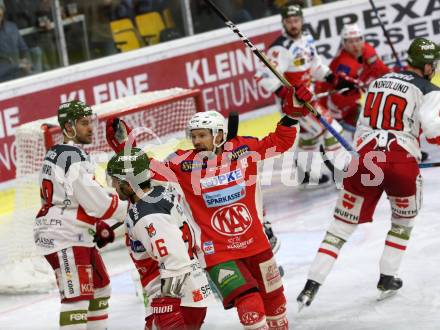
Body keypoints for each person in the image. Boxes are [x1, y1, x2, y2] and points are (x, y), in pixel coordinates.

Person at [106, 84, 314, 329]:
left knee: (275, 303)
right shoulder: (183, 164)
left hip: (257, 243)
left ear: (218, 134)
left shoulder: (243, 150)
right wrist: (124, 148)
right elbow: (145, 168)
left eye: (202, 135)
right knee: (250, 303)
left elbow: (279, 142)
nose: (196, 141)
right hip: (217, 253)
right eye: (193, 136)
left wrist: (293, 114)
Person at [297, 37, 440, 309]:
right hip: (401, 163)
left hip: (365, 160)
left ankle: (310, 286)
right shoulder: (430, 90)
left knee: (339, 229)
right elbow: (434, 132)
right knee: (402, 223)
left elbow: (363, 127)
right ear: (429, 65)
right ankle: (387, 278)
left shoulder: (379, 81)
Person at [34, 100, 129, 329]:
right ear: (68, 128)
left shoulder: (61, 152)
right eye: (84, 123)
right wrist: (133, 207)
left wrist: (95, 227)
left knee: (100, 287)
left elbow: (70, 198)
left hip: (71, 232)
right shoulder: (72, 157)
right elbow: (97, 203)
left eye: (90, 122)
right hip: (64, 237)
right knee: (76, 298)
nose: (90, 128)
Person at [103, 148, 211, 330]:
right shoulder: (159, 192)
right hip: (187, 291)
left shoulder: (148, 215)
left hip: (177, 299)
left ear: (129, 184)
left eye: (116, 181)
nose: (113, 185)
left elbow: (175, 260)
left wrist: (169, 305)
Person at [256, 1, 345, 188]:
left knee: (309, 136)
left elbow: (316, 66)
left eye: (296, 20)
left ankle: (307, 175)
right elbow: (263, 77)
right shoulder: (280, 48)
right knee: (331, 129)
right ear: (283, 23)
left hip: (308, 97)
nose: (293, 24)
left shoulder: (306, 38)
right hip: (296, 104)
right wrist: (290, 96)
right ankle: (343, 175)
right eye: (289, 21)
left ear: (302, 20)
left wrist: (333, 78)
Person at [319, 23, 390, 130]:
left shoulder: (368, 49)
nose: (355, 45)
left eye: (358, 40)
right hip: (338, 104)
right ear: (344, 43)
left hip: (359, 95)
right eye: (350, 41)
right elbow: (339, 96)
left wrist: (392, 77)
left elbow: (381, 69)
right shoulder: (344, 64)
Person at [0, 1, 31, 82]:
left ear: (3, 11)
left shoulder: (12, 27)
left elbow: (23, 49)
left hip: (19, 75)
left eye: (0, 8)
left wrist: (26, 62)